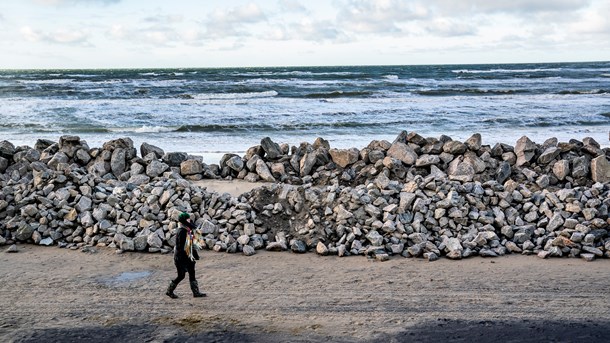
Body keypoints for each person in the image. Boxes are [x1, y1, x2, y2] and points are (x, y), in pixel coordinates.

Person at [166, 212, 206, 298]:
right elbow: (182, 247)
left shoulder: (187, 230)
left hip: (187, 256)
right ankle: (169, 291)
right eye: (188, 219)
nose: (189, 220)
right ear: (184, 221)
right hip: (181, 257)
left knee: (192, 272)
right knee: (181, 275)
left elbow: (189, 245)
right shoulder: (182, 232)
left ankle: (196, 292)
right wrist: (188, 256)